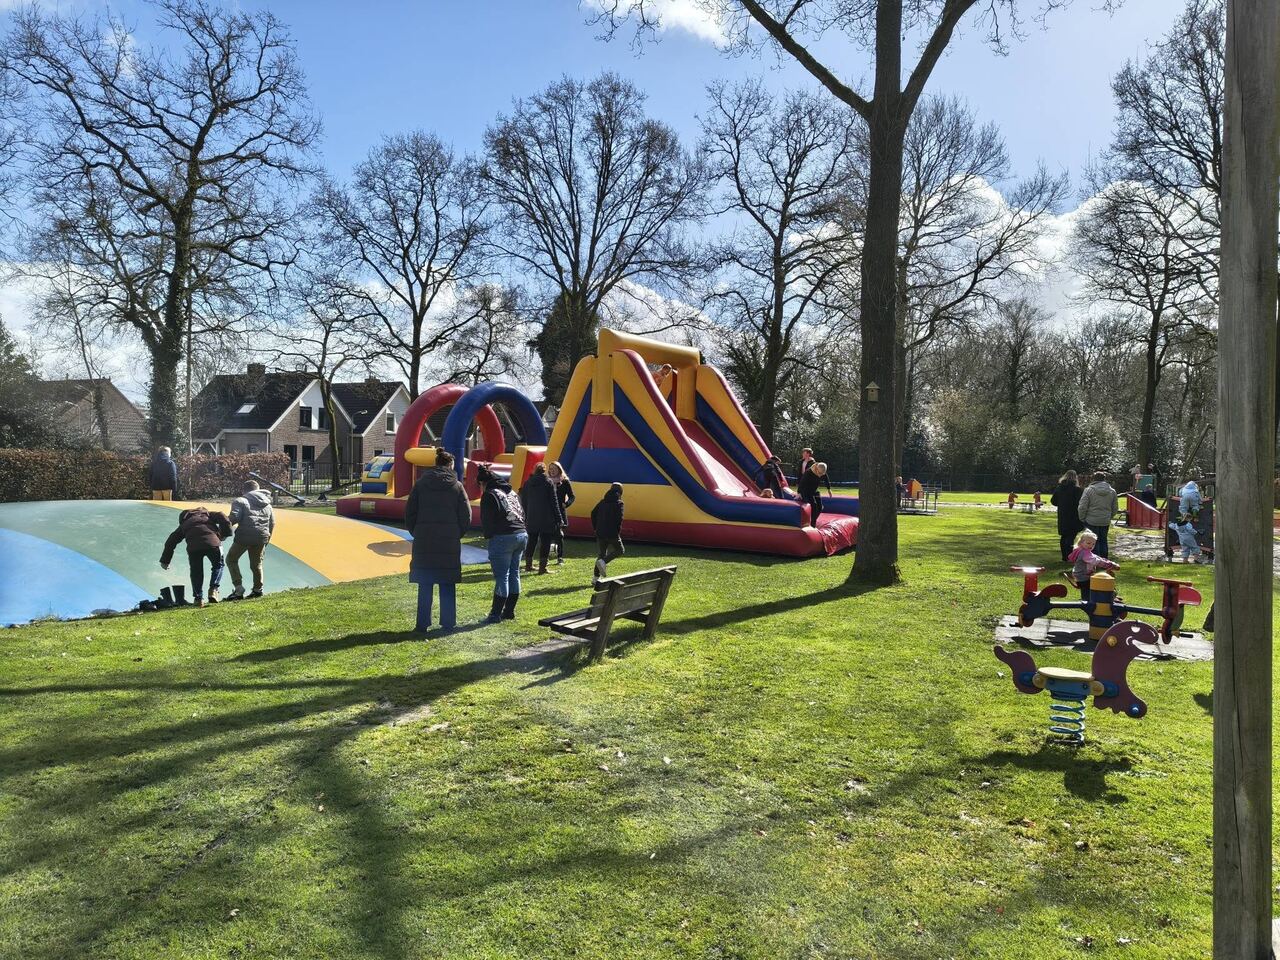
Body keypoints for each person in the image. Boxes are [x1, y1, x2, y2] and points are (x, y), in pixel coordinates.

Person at [403, 451, 471, 632]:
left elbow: (410, 513)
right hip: (448, 541)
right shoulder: (456, 487)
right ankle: (448, 623)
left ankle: (422, 623)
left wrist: (417, 532)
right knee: (447, 583)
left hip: (424, 540)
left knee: (425, 583)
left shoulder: (420, 485)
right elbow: (466, 515)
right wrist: (456, 533)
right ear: (450, 465)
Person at [478, 464, 527, 623]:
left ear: (483, 483)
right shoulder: (511, 492)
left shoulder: (490, 494)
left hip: (503, 537)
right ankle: (509, 611)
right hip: (521, 533)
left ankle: (495, 614)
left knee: (502, 577)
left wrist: (489, 535)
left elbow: (487, 520)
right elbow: (522, 512)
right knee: (515, 573)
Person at [159, 506, 232, 607]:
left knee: (196, 572)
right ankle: (213, 590)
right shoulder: (208, 515)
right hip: (213, 544)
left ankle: (198, 598)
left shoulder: (185, 524)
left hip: (194, 549)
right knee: (218, 565)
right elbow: (222, 515)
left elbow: (171, 541)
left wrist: (165, 561)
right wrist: (225, 534)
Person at [226, 480, 275, 600]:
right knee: (257, 564)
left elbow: (234, 518)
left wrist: (222, 524)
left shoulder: (240, 501)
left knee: (231, 559)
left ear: (244, 490)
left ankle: (238, 589)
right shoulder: (268, 504)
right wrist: (267, 538)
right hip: (262, 536)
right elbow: (272, 522)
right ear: (258, 489)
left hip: (244, 536)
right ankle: (258, 590)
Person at [520, 462, 561, 575]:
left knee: (532, 541)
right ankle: (542, 568)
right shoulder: (548, 482)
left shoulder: (528, 483)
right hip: (546, 518)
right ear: (544, 471)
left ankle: (528, 565)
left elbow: (524, 500)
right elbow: (554, 502)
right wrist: (559, 518)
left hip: (532, 517)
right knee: (545, 542)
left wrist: (526, 514)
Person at [1068, 528, 1119, 595]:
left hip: (1081, 576)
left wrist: (1110, 562)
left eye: (1093, 544)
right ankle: (1107, 597)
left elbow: (1097, 557)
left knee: (1098, 581)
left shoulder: (1082, 550)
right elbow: (1097, 561)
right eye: (1088, 543)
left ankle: (1090, 599)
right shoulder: (1085, 553)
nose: (1091, 546)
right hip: (1084, 578)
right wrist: (1110, 565)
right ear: (1081, 542)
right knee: (1104, 582)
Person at [591, 482, 625, 579]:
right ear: (620, 492)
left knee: (601, 554)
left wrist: (595, 527)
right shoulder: (619, 503)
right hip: (612, 533)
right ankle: (603, 562)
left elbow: (593, 513)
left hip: (600, 532)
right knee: (620, 550)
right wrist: (617, 531)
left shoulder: (602, 502)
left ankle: (595, 578)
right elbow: (619, 519)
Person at [1050, 470, 1084, 561]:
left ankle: (1065, 557)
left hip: (1063, 515)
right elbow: (1081, 503)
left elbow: (1053, 501)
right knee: (1070, 537)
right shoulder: (1077, 490)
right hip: (1073, 515)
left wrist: (1061, 504)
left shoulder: (1059, 488)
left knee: (1064, 536)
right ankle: (1069, 556)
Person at [547, 460, 574, 565]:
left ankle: (560, 557)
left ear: (559, 469)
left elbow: (572, 496)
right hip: (548, 511)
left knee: (559, 535)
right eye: (550, 469)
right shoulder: (547, 481)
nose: (552, 471)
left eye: (554, 469)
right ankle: (546, 557)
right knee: (547, 534)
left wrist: (566, 504)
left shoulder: (565, 481)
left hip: (559, 511)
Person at [796, 462, 828, 527]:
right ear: (816, 469)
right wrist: (799, 493)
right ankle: (812, 524)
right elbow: (802, 483)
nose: (821, 475)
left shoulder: (822, 469)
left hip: (814, 490)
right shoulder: (808, 473)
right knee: (814, 506)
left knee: (820, 507)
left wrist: (829, 488)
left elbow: (826, 478)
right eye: (820, 473)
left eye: (822, 474)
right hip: (806, 491)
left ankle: (812, 520)